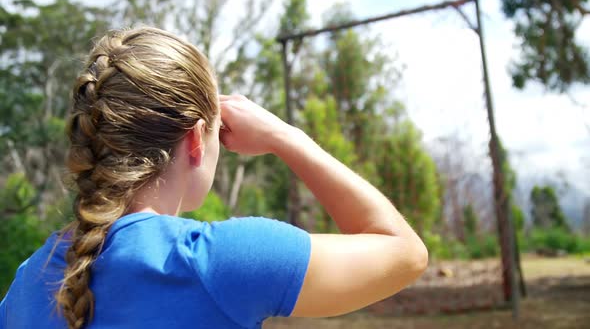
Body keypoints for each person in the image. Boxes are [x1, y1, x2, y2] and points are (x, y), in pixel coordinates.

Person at [0, 26, 428, 329]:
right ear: (195, 141)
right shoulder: (224, 261)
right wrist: (286, 137)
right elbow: (405, 254)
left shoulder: (27, 283)